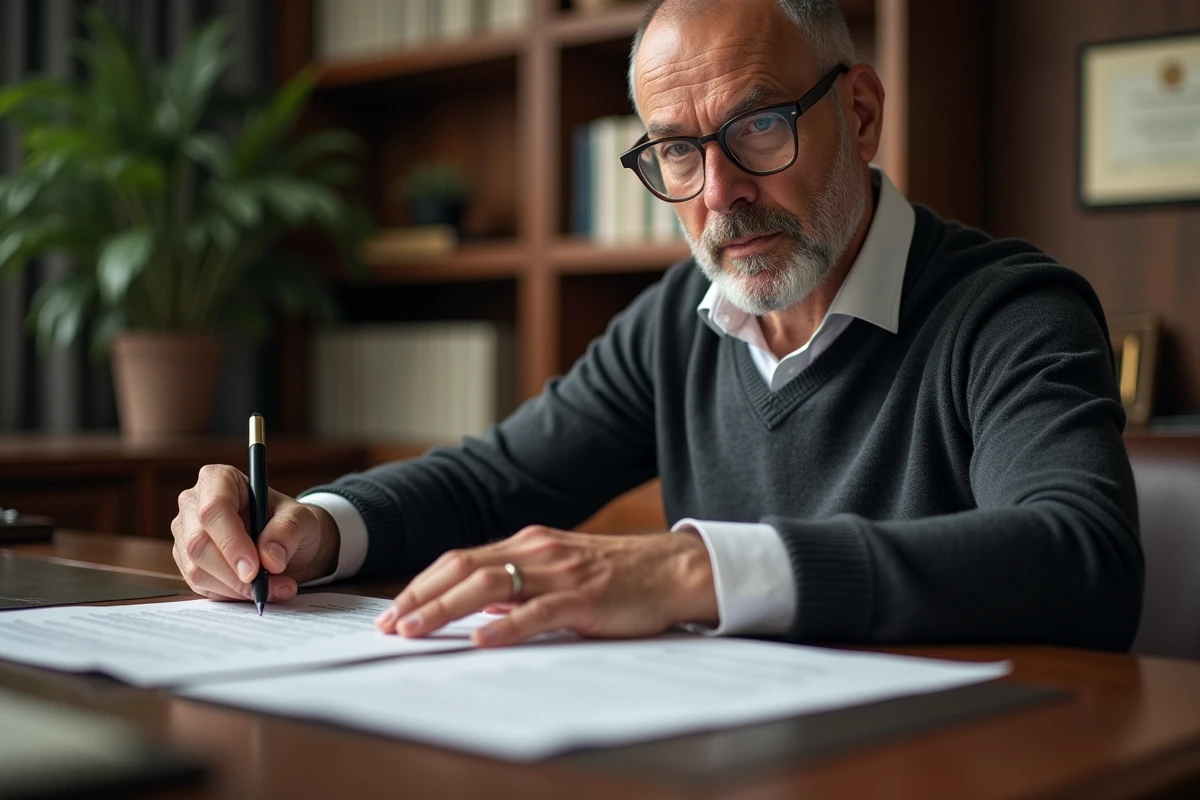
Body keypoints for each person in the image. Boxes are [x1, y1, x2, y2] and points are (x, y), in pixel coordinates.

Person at [171, 0, 1142, 652]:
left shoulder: (1013, 312)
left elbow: (1080, 554)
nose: (720, 192)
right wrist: (313, 530)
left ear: (860, 113)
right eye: (678, 150)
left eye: (759, 126)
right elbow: (492, 479)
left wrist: (693, 566)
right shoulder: (676, 326)